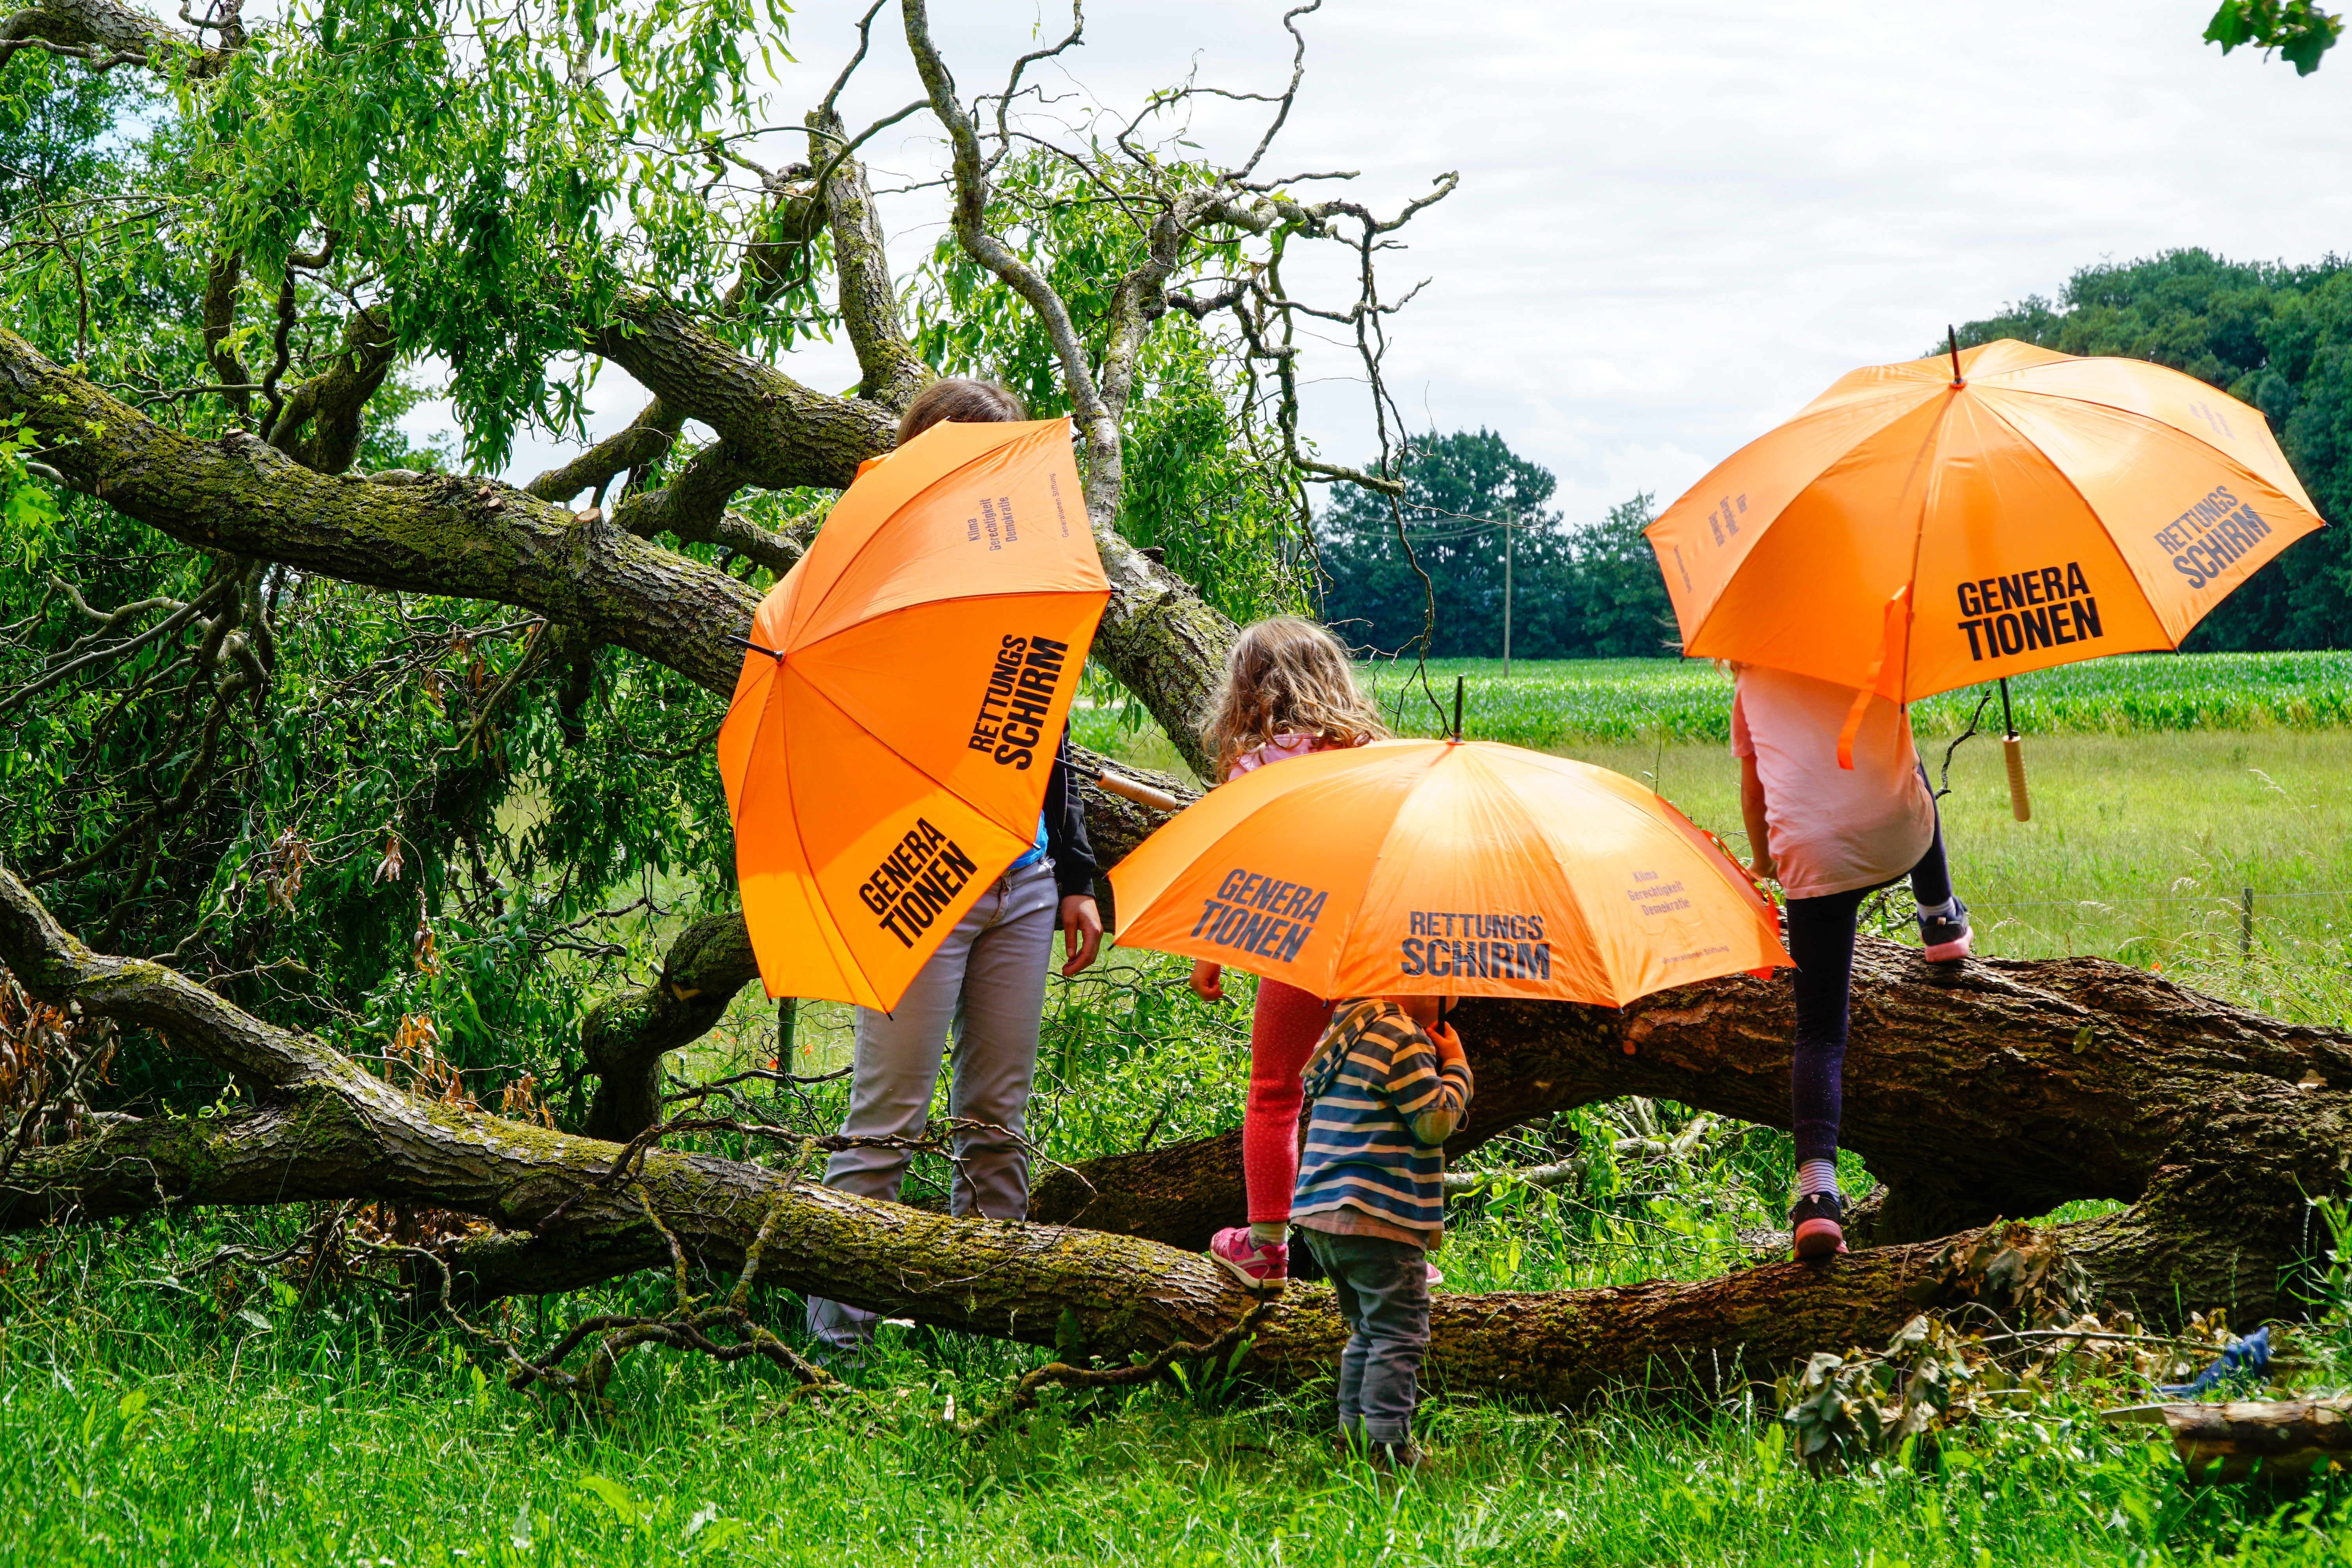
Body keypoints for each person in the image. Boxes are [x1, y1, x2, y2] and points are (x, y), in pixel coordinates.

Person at [806, 379, 1105, 1356]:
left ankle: (983, 1333)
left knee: (995, 1123)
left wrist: (1074, 876)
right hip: (918, 873)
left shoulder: (1029, 568)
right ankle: (837, 1348)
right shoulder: (873, 565)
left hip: (1021, 880)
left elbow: (1048, 730)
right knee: (884, 1122)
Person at [1732, 662, 1971, 1261]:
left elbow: (1756, 787)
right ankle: (1939, 915)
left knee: (1820, 1033)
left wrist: (1763, 860)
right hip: (1897, 833)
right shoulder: (1871, 644)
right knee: (1908, 768)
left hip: (1814, 861)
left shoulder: (1749, 680)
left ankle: (1818, 1199)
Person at [1189, 617, 1390, 1289]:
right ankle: (1394, 1246)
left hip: (1298, 942)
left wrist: (1210, 955)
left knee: (1276, 1091)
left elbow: (1238, 871)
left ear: (1248, 692)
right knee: (1377, 1088)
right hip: (1378, 942)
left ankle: (1268, 1246)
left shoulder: (1255, 767)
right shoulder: (1373, 755)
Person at [1291, 993, 1474, 1473]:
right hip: (1377, 1216)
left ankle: (1351, 1436)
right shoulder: (1401, 1036)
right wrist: (1456, 1067)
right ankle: (1388, 1447)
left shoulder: (1343, 1031)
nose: (1453, 993)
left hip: (1324, 1213)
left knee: (1367, 1333)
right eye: (1445, 978)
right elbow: (1434, 1121)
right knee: (1399, 1335)